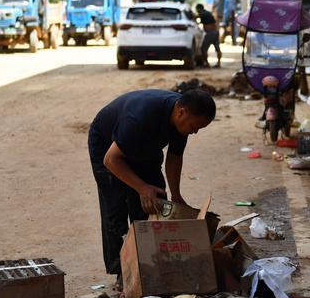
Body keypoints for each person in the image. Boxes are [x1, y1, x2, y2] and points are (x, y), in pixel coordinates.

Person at [88, 89, 216, 282]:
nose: (194, 132)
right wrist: (141, 187)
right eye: (194, 126)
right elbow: (111, 159)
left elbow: (174, 158)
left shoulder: (181, 122)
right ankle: (123, 271)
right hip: (108, 146)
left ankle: (151, 262)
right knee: (117, 204)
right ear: (182, 112)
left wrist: (176, 195)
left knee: (156, 200)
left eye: (199, 129)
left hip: (143, 146)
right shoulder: (140, 117)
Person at [197, 3, 221, 68]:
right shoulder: (207, 13)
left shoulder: (203, 14)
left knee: (203, 49)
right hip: (215, 32)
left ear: (199, 9)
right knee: (217, 48)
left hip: (210, 33)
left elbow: (196, 17)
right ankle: (218, 63)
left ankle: (207, 64)